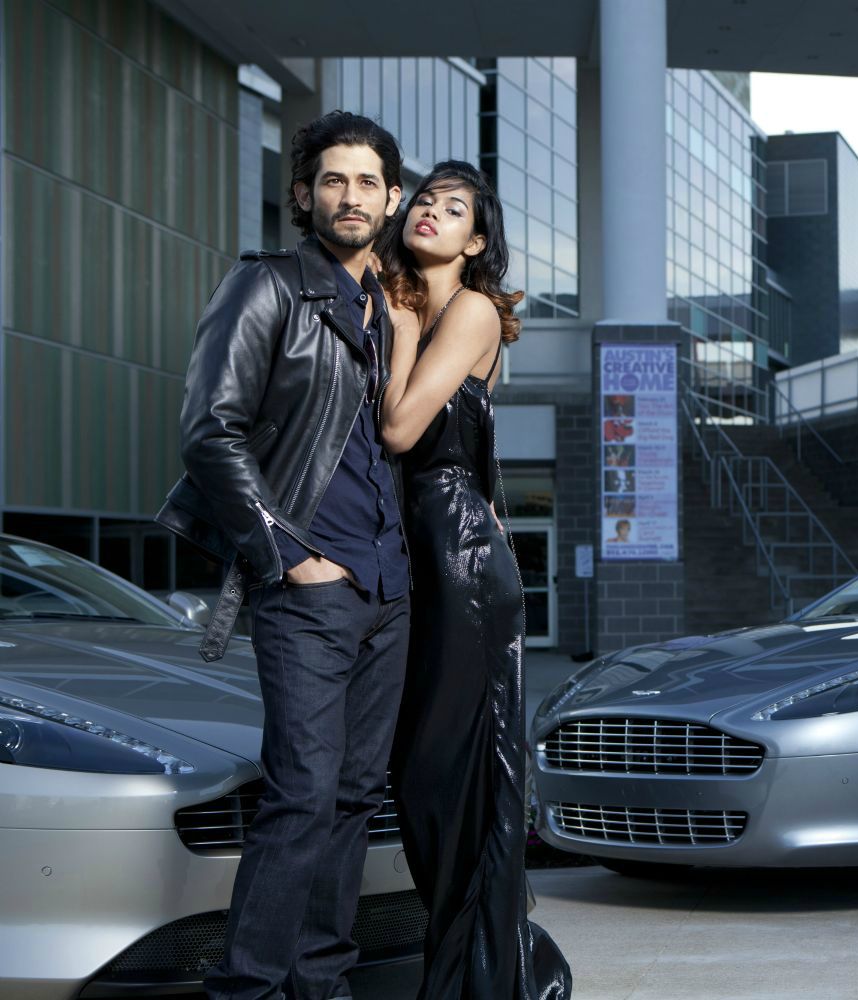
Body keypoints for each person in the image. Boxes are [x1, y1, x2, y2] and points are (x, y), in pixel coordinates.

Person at [156, 111, 410, 1000]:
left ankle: (321, 985)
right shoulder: (265, 287)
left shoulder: (390, 306)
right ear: (303, 194)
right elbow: (209, 431)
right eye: (333, 180)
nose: (352, 196)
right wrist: (287, 556)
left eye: (369, 182)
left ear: (389, 197)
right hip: (311, 583)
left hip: (388, 586)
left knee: (352, 797)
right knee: (302, 794)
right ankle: (250, 990)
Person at [376, 160, 571, 1000]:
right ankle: (473, 972)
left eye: (454, 208)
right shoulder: (417, 305)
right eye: (423, 200)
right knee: (427, 777)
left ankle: (483, 982)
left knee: (453, 778)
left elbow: (400, 425)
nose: (431, 212)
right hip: (433, 550)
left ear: (477, 241)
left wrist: (404, 320)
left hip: (456, 559)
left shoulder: (472, 309)